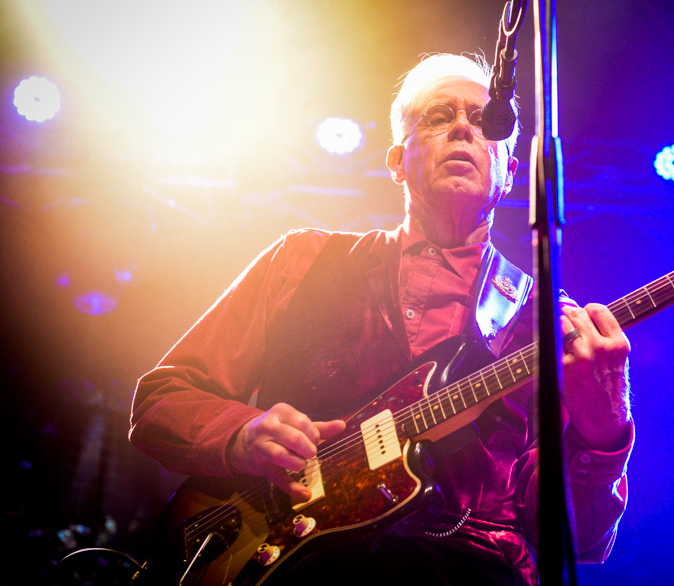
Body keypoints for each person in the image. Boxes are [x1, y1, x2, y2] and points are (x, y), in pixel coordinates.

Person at [129, 53, 633, 585]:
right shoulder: (302, 261)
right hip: (290, 569)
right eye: (439, 116)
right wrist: (241, 434)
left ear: (511, 168)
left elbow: (580, 540)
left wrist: (603, 434)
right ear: (396, 160)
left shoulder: (547, 323)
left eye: (485, 122)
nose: (463, 127)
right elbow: (162, 398)